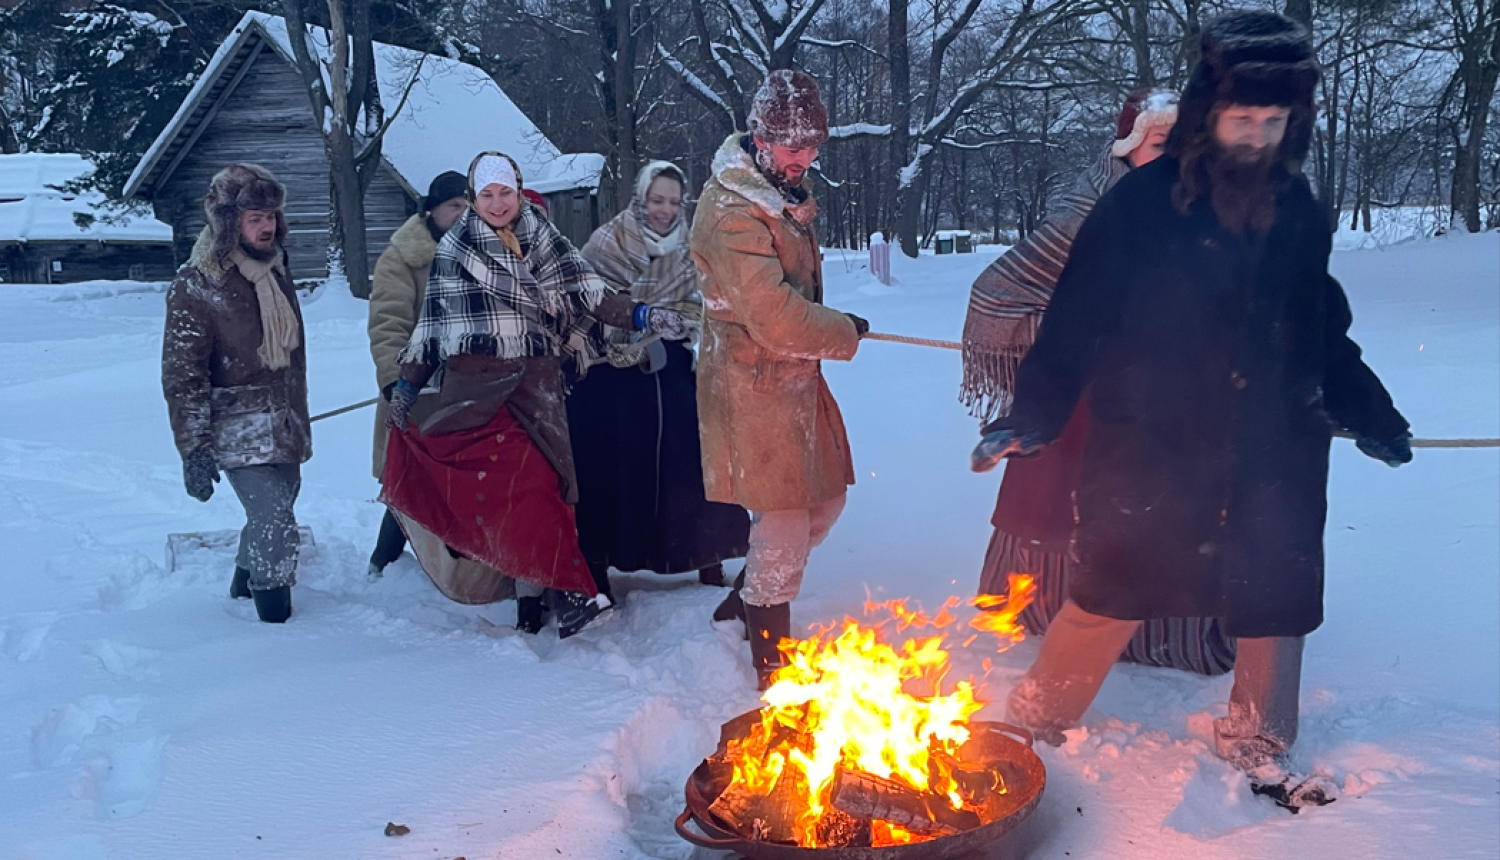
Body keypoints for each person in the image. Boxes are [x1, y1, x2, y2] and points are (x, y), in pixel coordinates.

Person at [972, 12, 1412, 810]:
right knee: (1117, 578)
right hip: (1154, 440)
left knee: (1275, 583)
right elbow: (1076, 318)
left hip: (1275, 443)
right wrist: (1033, 414)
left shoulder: (1299, 209)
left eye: (1273, 122)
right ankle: (1034, 720)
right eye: (1243, 118)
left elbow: (1323, 327)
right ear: (1210, 111)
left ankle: (1259, 736)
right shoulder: (1141, 205)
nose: (1255, 136)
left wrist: (1370, 411)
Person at [963, 89, 1237, 676]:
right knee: (1070, 501)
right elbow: (1001, 288)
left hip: (1172, 399)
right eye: (1161, 143)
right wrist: (1062, 337)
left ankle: (1168, 633)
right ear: (1129, 150)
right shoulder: (1089, 208)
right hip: (1080, 395)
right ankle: (1046, 617)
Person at [381, 152, 689, 638]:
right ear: (475, 197)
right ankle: (563, 596)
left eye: (506, 193)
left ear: (519, 191)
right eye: (487, 194)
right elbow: (432, 329)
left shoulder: (544, 239)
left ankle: (541, 601)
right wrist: (405, 387)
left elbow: (591, 292)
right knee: (523, 491)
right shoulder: (454, 251)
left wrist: (642, 316)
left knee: (551, 490)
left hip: (538, 385)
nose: (498, 203)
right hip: (478, 388)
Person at [692, 70, 868, 688]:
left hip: (795, 374)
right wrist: (840, 329)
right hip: (750, 380)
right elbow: (769, 313)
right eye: (794, 147)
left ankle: (744, 598)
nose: (805, 158)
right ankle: (773, 659)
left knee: (826, 501)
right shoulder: (730, 209)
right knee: (785, 519)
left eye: (813, 145)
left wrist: (826, 332)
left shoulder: (779, 187)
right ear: (762, 140)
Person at [568, 161, 751, 600]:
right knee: (612, 470)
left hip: (669, 365)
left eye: (673, 201)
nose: (665, 210)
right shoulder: (607, 242)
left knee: (689, 461)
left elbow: (700, 304)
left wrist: (682, 321)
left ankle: (704, 554)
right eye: (656, 200)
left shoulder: (690, 246)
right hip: (611, 373)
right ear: (639, 197)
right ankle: (602, 566)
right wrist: (633, 323)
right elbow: (585, 303)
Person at [162, 163, 310, 624]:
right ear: (228, 222)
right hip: (233, 423)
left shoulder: (275, 270)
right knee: (273, 519)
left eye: (271, 216)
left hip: (282, 420)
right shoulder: (197, 285)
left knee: (283, 500)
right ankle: (273, 615)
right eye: (254, 218)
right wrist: (194, 449)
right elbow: (182, 375)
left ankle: (242, 582)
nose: (267, 227)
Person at [367, 170, 468, 577]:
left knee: (456, 479)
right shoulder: (403, 258)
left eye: (468, 207)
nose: (462, 215)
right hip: (417, 388)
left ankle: (455, 565)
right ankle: (383, 563)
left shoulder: (481, 251)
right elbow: (387, 322)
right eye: (453, 207)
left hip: (468, 387)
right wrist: (397, 381)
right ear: (432, 210)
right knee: (409, 480)